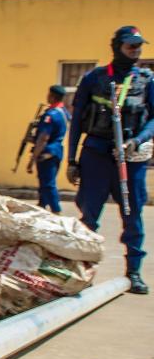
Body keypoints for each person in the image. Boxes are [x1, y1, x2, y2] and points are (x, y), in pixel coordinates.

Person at [67, 25, 154, 295]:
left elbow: (153, 119)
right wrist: (72, 159)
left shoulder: (146, 80)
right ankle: (82, 270)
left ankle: (134, 271)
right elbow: (78, 119)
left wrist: (136, 141)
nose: (135, 50)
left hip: (129, 159)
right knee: (89, 215)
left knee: (132, 213)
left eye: (139, 45)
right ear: (117, 45)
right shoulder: (95, 78)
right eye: (130, 44)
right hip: (96, 154)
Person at [26, 85, 70, 214]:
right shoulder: (63, 112)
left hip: (47, 153)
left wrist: (33, 159)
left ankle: (56, 211)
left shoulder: (50, 115)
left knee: (48, 183)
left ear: (52, 96)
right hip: (56, 151)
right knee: (45, 183)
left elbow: (43, 138)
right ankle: (41, 207)